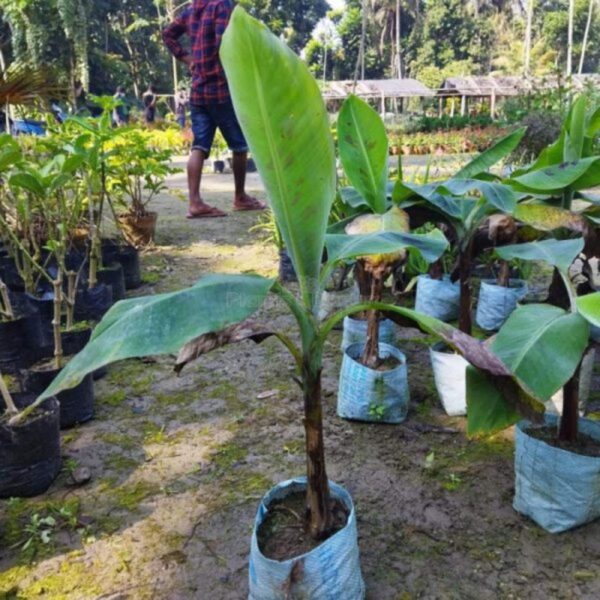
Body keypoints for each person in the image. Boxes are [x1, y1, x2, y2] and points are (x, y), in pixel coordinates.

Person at [162, 0, 265, 218]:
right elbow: (224, 45)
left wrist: (188, 59)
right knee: (239, 145)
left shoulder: (192, 10)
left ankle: (195, 202)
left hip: (198, 92)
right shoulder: (222, 6)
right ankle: (240, 197)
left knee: (199, 146)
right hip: (222, 90)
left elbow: (168, 34)